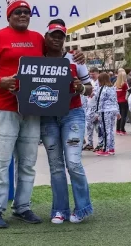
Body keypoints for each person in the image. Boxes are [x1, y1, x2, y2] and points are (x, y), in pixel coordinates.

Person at [0, 0, 45, 228]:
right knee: (0, 163)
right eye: (18, 12)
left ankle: (22, 207)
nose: (23, 15)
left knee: (28, 163)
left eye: (26, 12)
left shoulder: (37, 39)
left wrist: (74, 58)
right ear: (9, 16)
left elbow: (52, 63)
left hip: (31, 109)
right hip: (2, 108)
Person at [40, 20, 93, 224]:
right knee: (55, 166)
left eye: (60, 35)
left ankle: (82, 207)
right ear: (46, 36)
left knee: (73, 162)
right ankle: (59, 209)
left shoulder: (75, 59)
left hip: (72, 114)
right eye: (53, 34)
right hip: (47, 117)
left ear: (64, 39)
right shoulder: (38, 58)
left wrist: (80, 88)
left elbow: (90, 89)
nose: (56, 38)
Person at [95, 74, 120, 156]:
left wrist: (97, 112)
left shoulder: (102, 89)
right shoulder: (112, 88)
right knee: (111, 130)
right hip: (113, 110)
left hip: (105, 110)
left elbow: (99, 101)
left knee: (105, 130)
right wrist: (118, 112)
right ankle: (111, 148)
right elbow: (115, 100)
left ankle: (105, 149)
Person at [114, 69, 129, 135]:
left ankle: (117, 129)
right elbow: (127, 91)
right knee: (123, 116)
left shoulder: (116, 84)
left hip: (118, 101)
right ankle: (122, 129)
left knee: (119, 115)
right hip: (124, 101)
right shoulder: (124, 84)